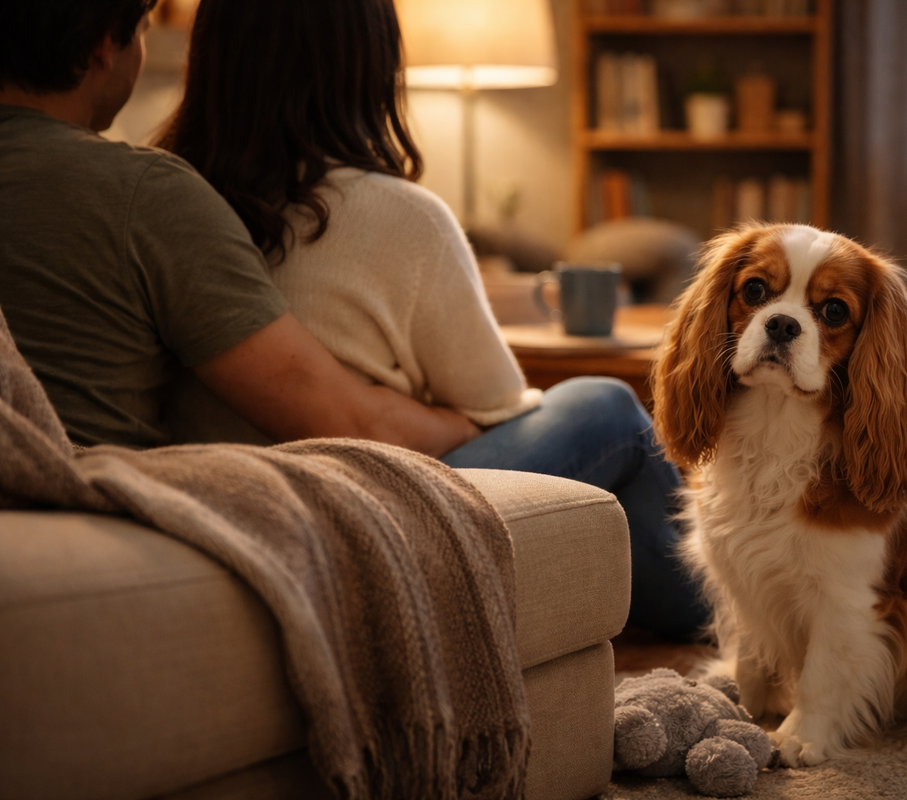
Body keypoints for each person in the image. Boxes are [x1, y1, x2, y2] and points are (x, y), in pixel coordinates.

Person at [2, 0, 706, 638]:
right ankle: (730, 621)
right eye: (141, 29)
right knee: (606, 407)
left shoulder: (178, 183)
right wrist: (450, 419)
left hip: (197, 488)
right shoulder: (151, 199)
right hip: (315, 506)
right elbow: (461, 409)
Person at [0, 0, 479, 457]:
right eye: (143, 30)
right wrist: (468, 425)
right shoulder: (142, 192)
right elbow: (351, 427)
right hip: (98, 511)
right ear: (106, 43)